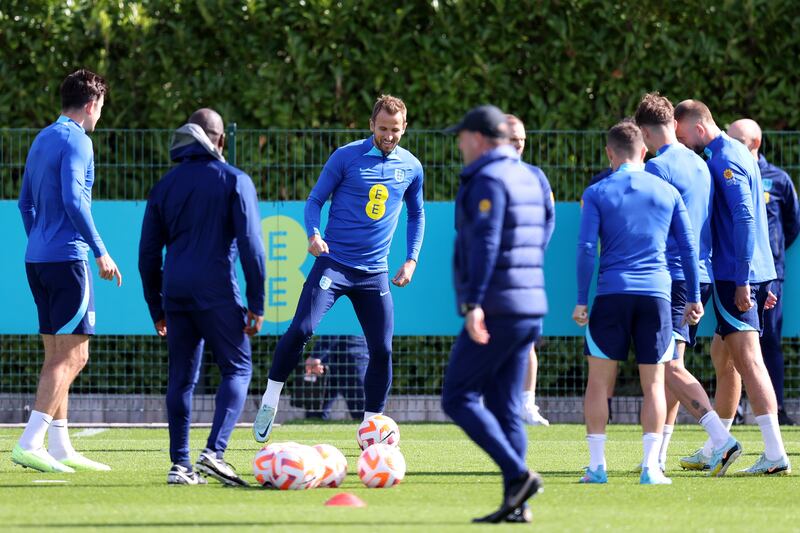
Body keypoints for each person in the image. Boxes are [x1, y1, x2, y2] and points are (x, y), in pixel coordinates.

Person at [253, 95, 425, 442]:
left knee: (383, 349)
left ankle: (372, 425)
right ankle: (270, 398)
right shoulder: (347, 156)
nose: (388, 136)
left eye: (395, 130)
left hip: (374, 273)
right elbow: (315, 200)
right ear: (371, 126)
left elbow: (417, 214)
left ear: (404, 128)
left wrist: (411, 259)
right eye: (382, 129)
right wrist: (313, 235)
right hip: (334, 263)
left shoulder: (412, 167)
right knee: (301, 329)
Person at [139, 108, 266, 486]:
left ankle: (180, 465)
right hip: (217, 291)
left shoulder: (164, 186)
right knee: (238, 368)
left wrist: (156, 306)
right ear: (221, 140)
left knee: (180, 378)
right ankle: (214, 452)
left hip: (175, 293)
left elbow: (147, 255)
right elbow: (252, 248)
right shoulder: (234, 180)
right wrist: (257, 303)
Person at [574, 120, 702, 486]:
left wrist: (582, 300)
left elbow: (585, 249)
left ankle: (597, 468)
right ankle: (651, 468)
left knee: (599, 383)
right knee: (655, 384)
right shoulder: (667, 191)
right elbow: (689, 248)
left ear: (610, 153)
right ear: (644, 150)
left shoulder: (597, 192)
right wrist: (694, 296)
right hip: (657, 297)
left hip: (612, 294)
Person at [14, 69, 122, 473]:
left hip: (38, 259)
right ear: (92, 103)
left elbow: (24, 203)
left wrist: (40, 240)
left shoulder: (42, 138)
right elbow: (75, 201)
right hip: (67, 260)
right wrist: (100, 251)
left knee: (57, 354)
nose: (100, 115)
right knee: (75, 355)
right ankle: (29, 442)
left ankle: (59, 446)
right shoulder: (79, 140)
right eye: (102, 107)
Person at [441, 105, 545, 524]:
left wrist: (473, 303)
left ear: (479, 138)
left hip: (498, 306)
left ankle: (519, 474)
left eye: (462, 137)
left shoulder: (487, 178)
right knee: (504, 406)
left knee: (458, 396)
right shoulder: (530, 175)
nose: (459, 144)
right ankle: (517, 505)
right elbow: (543, 231)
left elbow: (484, 244)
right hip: (528, 305)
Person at [675, 100, 791, 475]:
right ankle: (716, 446)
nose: (681, 142)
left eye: (681, 135)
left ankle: (774, 454)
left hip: (733, 275)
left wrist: (744, 278)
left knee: (748, 360)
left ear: (696, 127)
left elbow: (744, 215)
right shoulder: (736, 150)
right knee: (723, 358)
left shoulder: (723, 158)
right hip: (745, 272)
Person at [633, 93, 740, 475]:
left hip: (673, 276)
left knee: (668, 365)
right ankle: (658, 455)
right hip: (702, 276)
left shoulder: (656, 168)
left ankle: (720, 438)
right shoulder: (700, 162)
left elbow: (652, 230)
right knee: (670, 365)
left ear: (644, 133)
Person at [728, 118, 799, 426]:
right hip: (733, 274)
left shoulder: (778, 179)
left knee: (768, 340)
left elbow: (792, 225)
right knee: (733, 344)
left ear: (754, 143)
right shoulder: (725, 173)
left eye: (738, 141)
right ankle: (739, 408)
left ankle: (776, 410)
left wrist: (771, 254)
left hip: (769, 276)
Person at [506, 114, 553, 427]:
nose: (518, 145)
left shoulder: (537, 177)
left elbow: (549, 219)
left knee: (526, 339)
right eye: (512, 139)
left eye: (521, 140)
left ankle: (526, 405)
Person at [300, 335, 369, 420]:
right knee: (316, 412)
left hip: (351, 349)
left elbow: (337, 326)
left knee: (363, 414)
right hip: (343, 352)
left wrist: (316, 355)